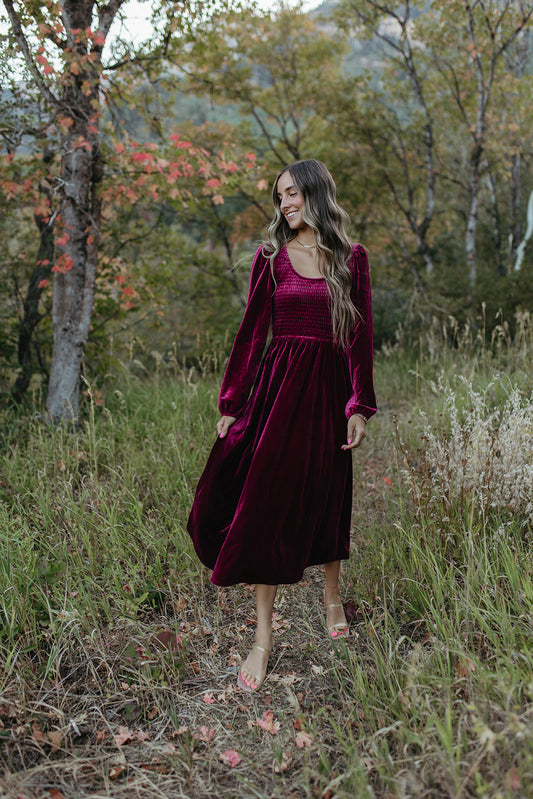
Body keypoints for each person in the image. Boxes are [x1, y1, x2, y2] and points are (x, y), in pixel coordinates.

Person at [187, 159, 377, 692]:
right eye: (280, 197)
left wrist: (359, 405)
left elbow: (359, 337)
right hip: (278, 389)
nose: (285, 204)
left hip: (331, 388)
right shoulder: (270, 259)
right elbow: (251, 333)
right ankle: (263, 639)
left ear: (316, 192)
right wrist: (232, 401)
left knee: (329, 491)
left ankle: (332, 598)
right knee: (267, 501)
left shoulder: (350, 259)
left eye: (292, 193)